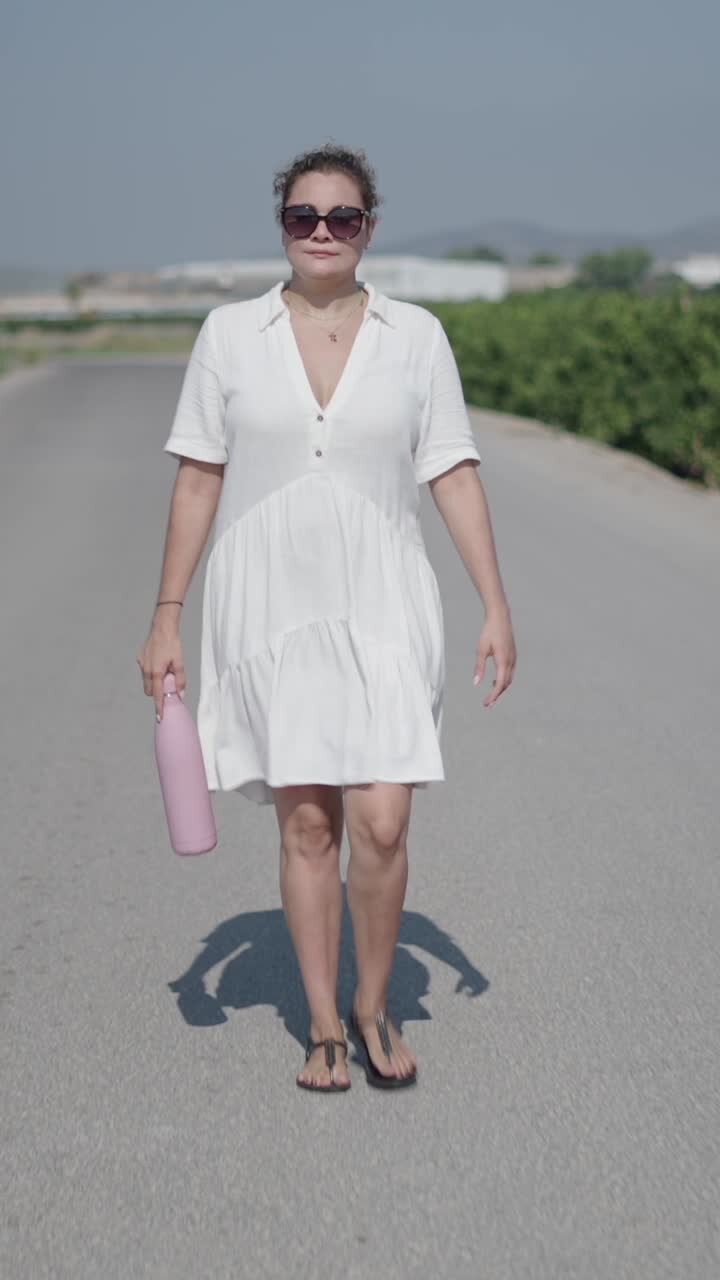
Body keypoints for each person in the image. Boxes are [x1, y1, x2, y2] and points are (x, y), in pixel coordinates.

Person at [137, 143, 516, 1093]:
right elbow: (198, 476)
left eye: (341, 218)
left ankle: (373, 1001)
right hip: (270, 599)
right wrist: (166, 615)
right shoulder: (229, 333)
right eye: (303, 216)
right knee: (309, 822)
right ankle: (322, 1025)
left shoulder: (417, 335)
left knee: (382, 820)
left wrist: (495, 604)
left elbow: (453, 472)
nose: (320, 233)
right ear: (282, 226)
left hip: (385, 593)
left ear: (369, 231)